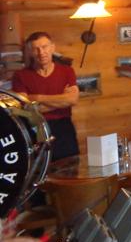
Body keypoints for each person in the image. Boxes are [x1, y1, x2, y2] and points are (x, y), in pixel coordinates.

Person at [12, 31, 80, 161]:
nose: (41, 52)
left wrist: (37, 98)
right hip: (36, 129)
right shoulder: (20, 76)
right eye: (36, 49)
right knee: (41, 168)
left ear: (52, 47)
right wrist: (62, 101)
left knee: (70, 166)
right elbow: (25, 110)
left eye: (44, 47)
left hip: (64, 128)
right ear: (30, 52)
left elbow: (73, 99)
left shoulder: (67, 71)